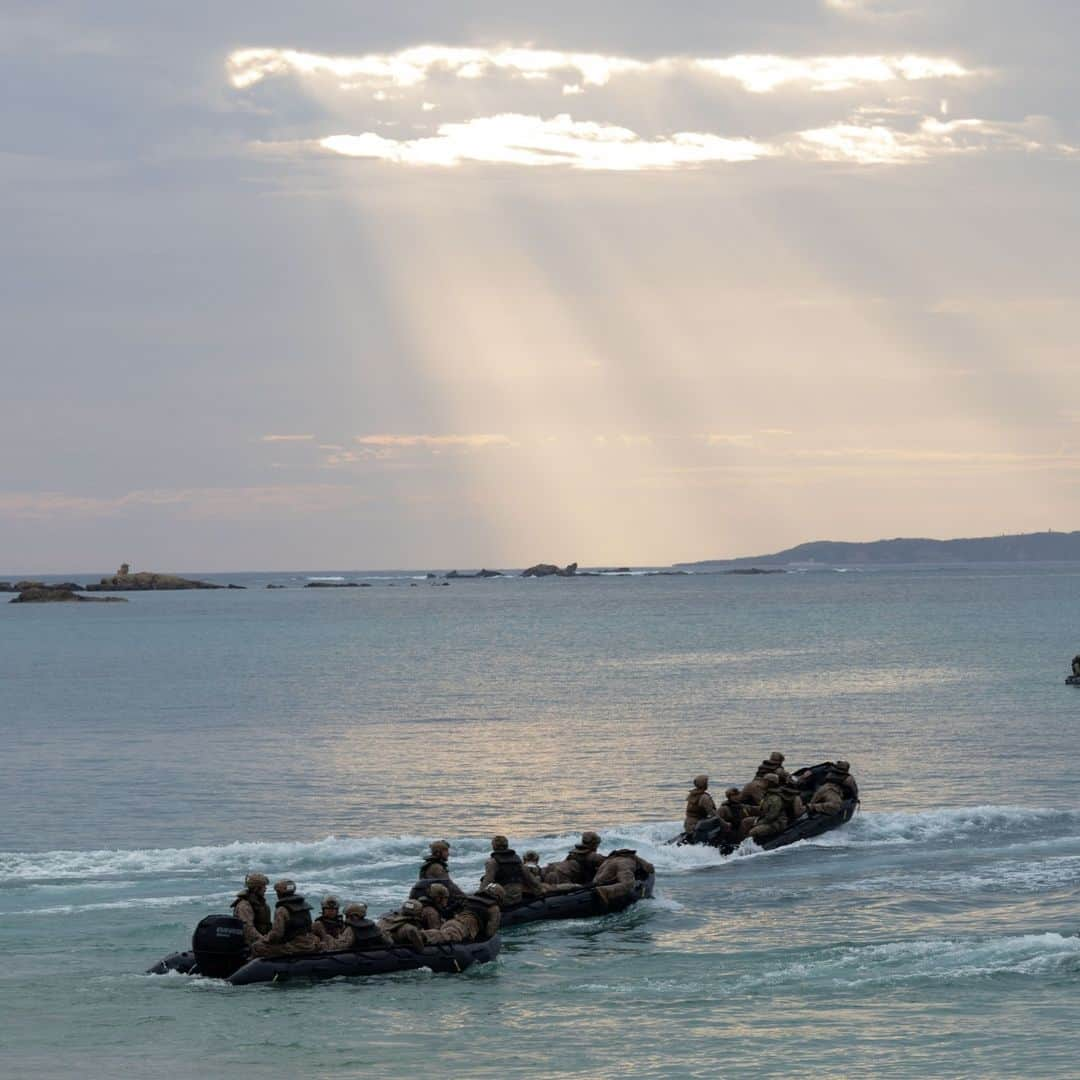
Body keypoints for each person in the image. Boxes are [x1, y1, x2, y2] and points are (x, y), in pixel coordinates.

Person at [250, 879, 320, 957]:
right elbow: (309, 927)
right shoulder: (305, 906)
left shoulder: (282, 910)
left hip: (293, 947)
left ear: (279, 893)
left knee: (256, 946)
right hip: (308, 944)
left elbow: (276, 935)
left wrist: (264, 939)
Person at [421, 885, 503, 945]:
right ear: (498, 897)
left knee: (443, 933)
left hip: (452, 921)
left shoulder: (470, 899)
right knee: (446, 935)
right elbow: (490, 932)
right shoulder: (494, 908)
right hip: (464, 927)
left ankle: (422, 935)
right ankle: (421, 935)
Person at [325, 902, 393, 952]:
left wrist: (329, 938)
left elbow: (340, 946)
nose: (346, 919)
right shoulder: (373, 926)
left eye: (347, 916)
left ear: (354, 916)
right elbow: (389, 941)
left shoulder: (351, 929)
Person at [480, 835, 527, 905]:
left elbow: (488, 882)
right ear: (507, 845)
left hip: (504, 900)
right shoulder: (517, 859)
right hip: (518, 897)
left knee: (484, 879)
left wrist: (478, 896)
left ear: (493, 846)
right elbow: (528, 877)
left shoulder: (492, 862)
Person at [230, 872, 271, 944]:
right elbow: (248, 928)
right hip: (250, 944)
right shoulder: (244, 906)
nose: (265, 889)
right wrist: (264, 940)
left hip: (260, 940)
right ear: (256, 888)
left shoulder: (263, 904)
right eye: (263, 886)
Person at [748, 774, 788, 842]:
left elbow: (771, 816)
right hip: (766, 820)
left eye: (764, 781)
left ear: (770, 783)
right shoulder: (768, 794)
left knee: (752, 832)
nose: (762, 783)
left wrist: (758, 823)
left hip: (776, 824)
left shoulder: (775, 798)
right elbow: (763, 809)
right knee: (745, 822)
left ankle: (749, 847)